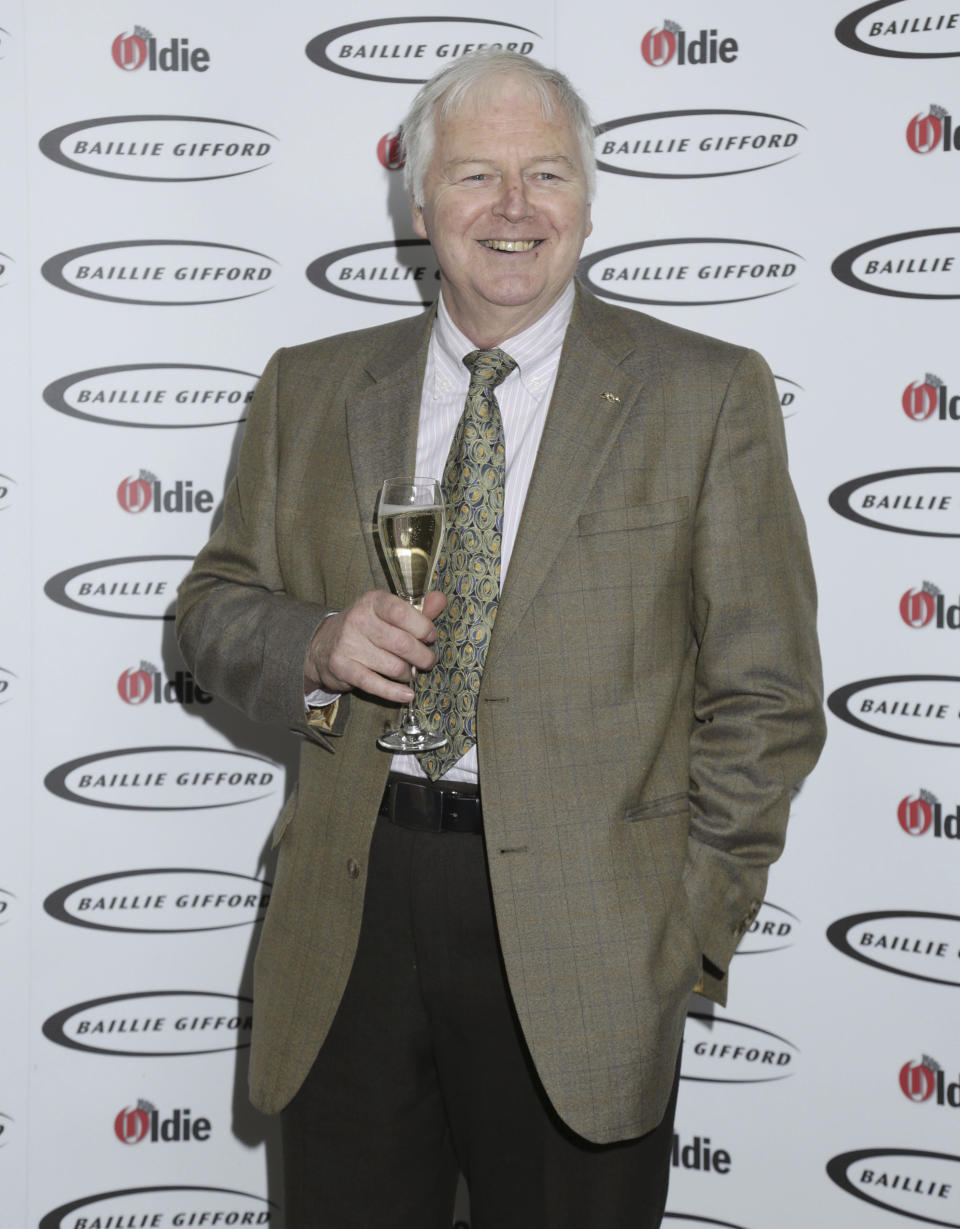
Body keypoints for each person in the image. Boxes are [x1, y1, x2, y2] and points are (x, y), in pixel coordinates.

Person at [176, 48, 825, 1229]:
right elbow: (210, 609)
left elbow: (767, 692)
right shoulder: (311, 388)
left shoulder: (706, 394)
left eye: (548, 175)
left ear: (587, 196)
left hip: (590, 932)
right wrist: (316, 643)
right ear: (421, 204)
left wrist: (682, 929)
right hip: (352, 915)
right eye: (479, 175)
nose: (516, 210)